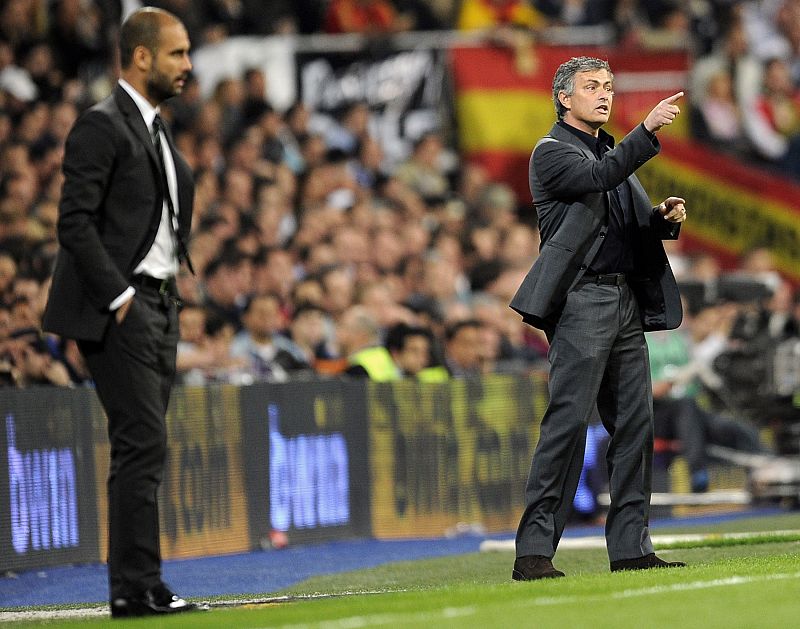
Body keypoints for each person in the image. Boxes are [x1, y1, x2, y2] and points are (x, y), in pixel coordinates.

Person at [41, 7, 206, 618]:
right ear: (141, 57)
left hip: (159, 303)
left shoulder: (153, 127)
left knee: (144, 445)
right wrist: (120, 297)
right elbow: (73, 222)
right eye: (177, 54)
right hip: (124, 306)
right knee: (142, 442)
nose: (188, 65)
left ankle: (142, 582)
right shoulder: (101, 125)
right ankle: (135, 587)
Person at [509, 56, 688, 579]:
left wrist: (658, 219)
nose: (604, 94)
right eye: (592, 87)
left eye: (609, 86)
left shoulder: (607, 150)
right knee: (567, 424)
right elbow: (598, 177)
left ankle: (631, 547)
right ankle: (534, 553)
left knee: (635, 424)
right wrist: (647, 130)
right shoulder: (552, 154)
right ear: (564, 98)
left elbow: (620, 218)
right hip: (582, 301)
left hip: (625, 300)